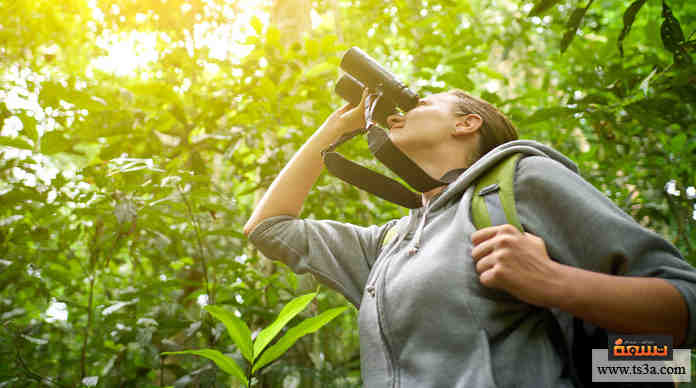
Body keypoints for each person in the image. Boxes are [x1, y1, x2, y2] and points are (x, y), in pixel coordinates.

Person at [243, 87, 696, 387]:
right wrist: (336, 129)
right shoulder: (391, 243)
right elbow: (269, 228)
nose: (402, 111)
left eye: (422, 102)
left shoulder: (522, 180)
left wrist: (553, 282)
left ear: (466, 123)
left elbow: (686, 303)